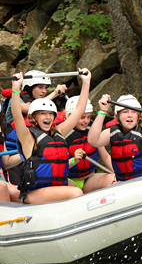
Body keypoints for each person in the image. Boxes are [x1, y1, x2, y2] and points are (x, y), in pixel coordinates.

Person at [11, 69, 92, 204]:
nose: (47, 117)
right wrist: (16, 88)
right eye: (42, 113)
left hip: (56, 188)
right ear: (33, 117)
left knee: (73, 188)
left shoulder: (59, 132)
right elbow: (17, 115)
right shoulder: (27, 137)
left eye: (50, 114)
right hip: (34, 193)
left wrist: (86, 82)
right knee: (76, 192)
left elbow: (79, 110)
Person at [3, 69, 66, 184]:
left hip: (35, 154)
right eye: (40, 87)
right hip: (14, 154)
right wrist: (55, 93)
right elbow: (30, 108)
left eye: (45, 88)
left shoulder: (40, 105)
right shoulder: (16, 100)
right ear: (28, 87)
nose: (44, 91)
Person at [64, 96, 115, 193]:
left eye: (88, 117)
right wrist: (74, 161)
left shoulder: (92, 132)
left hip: (90, 179)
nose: (86, 121)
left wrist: (119, 173)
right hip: (69, 180)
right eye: (82, 117)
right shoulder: (62, 135)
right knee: (76, 193)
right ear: (71, 116)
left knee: (114, 179)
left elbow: (105, 157)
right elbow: (57, 167)